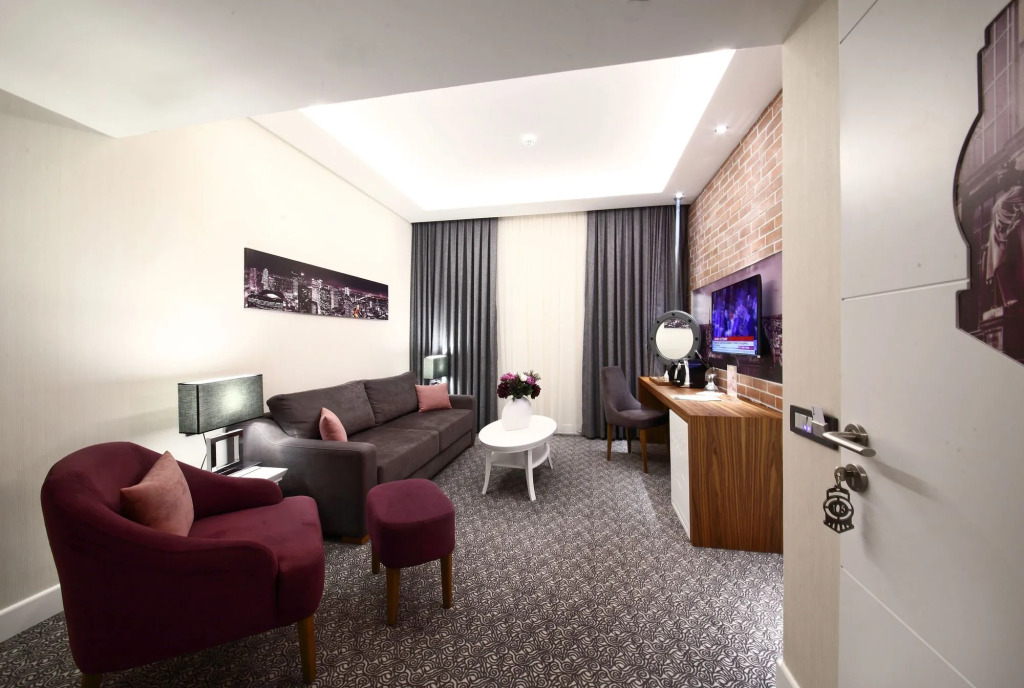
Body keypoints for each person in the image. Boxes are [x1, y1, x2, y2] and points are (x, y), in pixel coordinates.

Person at [985, 161, 1024, 308]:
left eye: (1002, 175)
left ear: (1010, 175)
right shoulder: (999, 199)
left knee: (1005, 263)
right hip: (995, 236)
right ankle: (1006, 299)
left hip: (1010, 234)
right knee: (998, 267)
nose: (999, 178)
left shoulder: (1017, 190)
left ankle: (1013, 297)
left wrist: (1016, 225)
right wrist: (988, 242)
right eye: (998, 176)